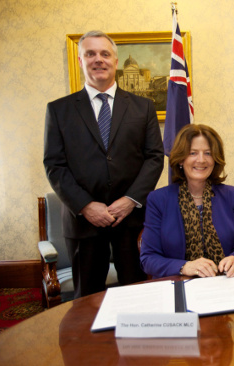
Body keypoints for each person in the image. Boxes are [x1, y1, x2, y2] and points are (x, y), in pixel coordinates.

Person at [43, 30, 164, 298]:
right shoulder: (59, 110)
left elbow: (154, 157)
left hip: (131, 221)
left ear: (116, 61)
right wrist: (85, 206)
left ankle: (137, 342)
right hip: (83, 223)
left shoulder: (143, 107)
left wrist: (131, 199)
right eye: (90, 54)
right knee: (87, 301)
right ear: (80, 60)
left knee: (138, 295)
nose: (98, 59)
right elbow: (54, 165)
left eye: (105, 54)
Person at [140, 124, 234, 278]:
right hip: (177, 284)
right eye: (193, 153)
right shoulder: (158, 200)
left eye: (208, 153)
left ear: (215, 159)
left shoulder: (231, 195)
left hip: (223, 282)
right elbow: (148, 259)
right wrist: (184, 267)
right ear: (180, 160)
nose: (201, 160)